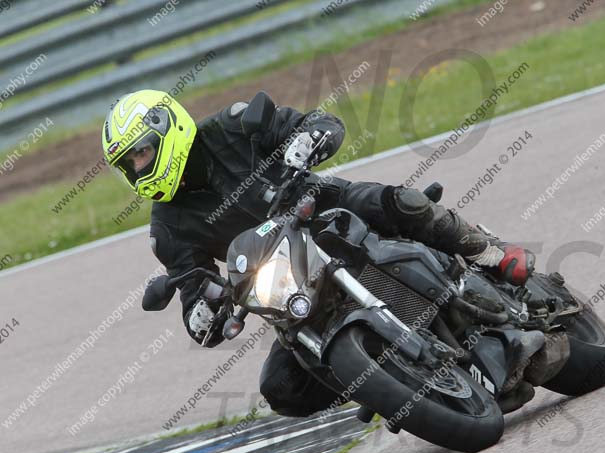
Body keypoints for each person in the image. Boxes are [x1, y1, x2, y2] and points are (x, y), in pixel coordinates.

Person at [102, 89, 536, 416]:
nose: (139, 167)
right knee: (282, 389)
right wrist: (203, 312)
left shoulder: (232, 126)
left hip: (329, 214)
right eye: (129, 164)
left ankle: (490, 254)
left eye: (142, 152)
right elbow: (192, 292)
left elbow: (321, 122)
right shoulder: (168, 227)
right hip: (288, 288)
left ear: (168, 128)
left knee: (401, 203)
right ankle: (388, 384)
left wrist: (307, 138)